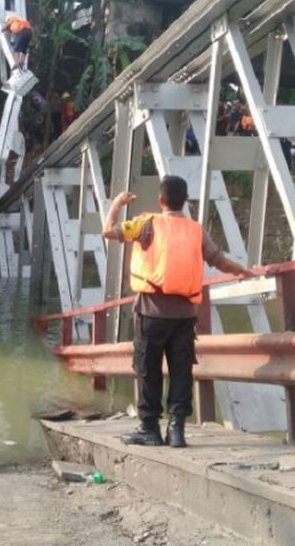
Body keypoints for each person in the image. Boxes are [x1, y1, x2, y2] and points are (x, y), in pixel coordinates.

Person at [102, 175, 248, 449]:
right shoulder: (196, 230)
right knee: (181, 370)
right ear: (186, 200)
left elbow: (108, 231)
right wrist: (241, 270)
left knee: (149, 369)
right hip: (184, 315)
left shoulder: (146, 223)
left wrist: (118, 203)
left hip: (151, 312)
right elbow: (218, 260)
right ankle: (177, 430)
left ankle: (149, 429)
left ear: (160, 200)